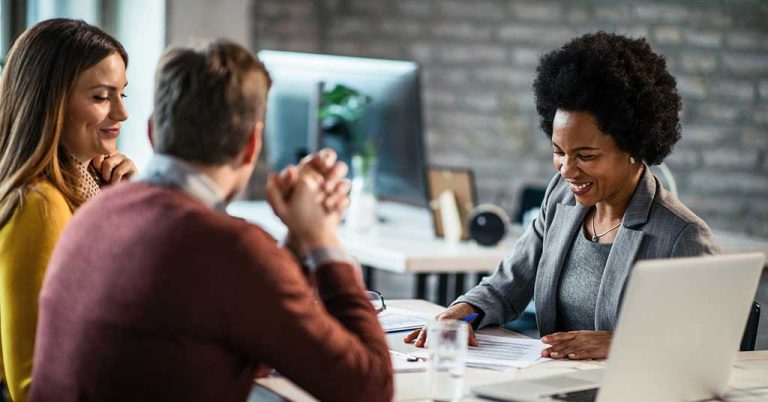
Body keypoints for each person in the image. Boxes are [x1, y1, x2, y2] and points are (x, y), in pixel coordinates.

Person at [31, 40, 393, 402]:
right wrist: (322, 238)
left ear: (153, 131)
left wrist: (297, 241)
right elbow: (370, 388)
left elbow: (246, 328)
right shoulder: (232, 248)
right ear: (252, 143)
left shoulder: (93, 213)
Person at [405, 32, 719, 360]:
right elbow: (507, 284)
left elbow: (708, 345)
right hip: (552, 385)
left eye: (586, 156)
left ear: (633, 147)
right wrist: (461, 313)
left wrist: (620, 344)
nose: (567, 170)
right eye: (558, 151)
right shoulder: (561, 198)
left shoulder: (683, 236)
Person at [0, 19, 136, 401]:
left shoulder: (85, 189)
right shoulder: (39, 206)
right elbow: (32, 384)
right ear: (50, 102)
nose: (122, 114)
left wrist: (115, 208)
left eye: (124, 94)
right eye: (101, 97)